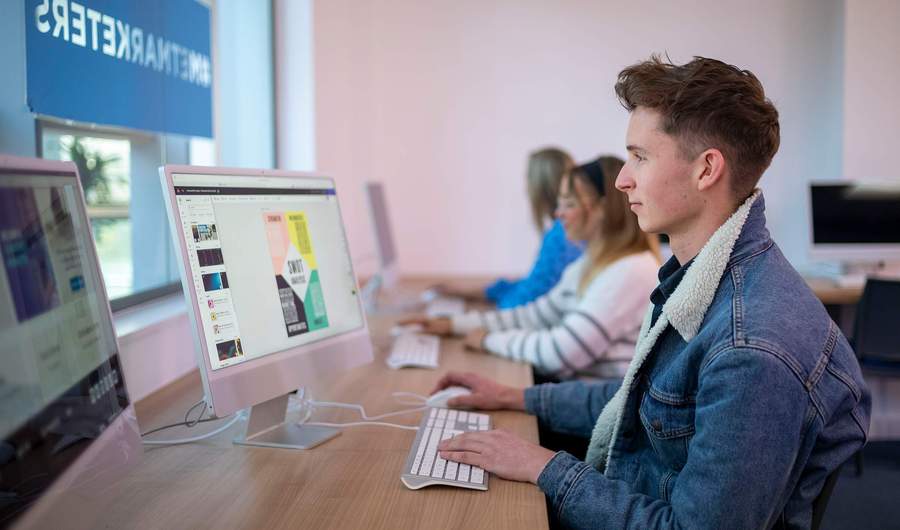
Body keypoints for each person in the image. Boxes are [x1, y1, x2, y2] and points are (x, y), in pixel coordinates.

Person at [431, 56, 871, 529]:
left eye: (639, 156)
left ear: (706, 170)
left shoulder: (752, 349)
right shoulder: (700, 281)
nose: (622, 179)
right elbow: (642, 400)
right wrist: (517, 398)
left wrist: (545, 467)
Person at [405, 156, 660, 380]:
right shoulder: (591, 263)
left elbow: (561, 353)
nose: (559, 214)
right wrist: (453, 324)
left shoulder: (631, 271)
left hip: (587, 415)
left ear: (603, 210)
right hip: (569, 395)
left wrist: (487, 340)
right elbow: (535, 316)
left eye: (569, 204)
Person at [437, 147, 583, 308]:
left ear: (540, 185)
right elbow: (534, 283)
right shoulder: (568, 230)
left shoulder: (561, 234)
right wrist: (472, 292)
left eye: (527, 179)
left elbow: (525, 300)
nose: (526, 188)